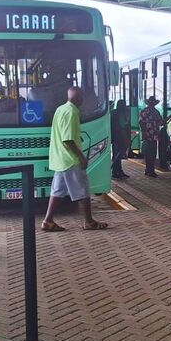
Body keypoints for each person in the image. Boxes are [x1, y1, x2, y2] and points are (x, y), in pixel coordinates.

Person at [42, 87, 108, 232]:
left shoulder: (61, 109)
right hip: (70, 160)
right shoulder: (71, 112)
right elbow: (68, 140)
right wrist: (81, 157)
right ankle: (89, 222)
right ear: (78, 99)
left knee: (57, 191)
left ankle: (48, 221)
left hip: (60, 159)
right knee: (83, 190)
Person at [138, 96, 163, 177]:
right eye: (151, 102)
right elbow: (142, 123)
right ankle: (150, 170)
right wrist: (144, 133)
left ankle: (149, 170)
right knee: (150, 154)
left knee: (151, 154)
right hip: (149, 135)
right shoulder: (148, 111)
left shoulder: (154, 112)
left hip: (153, 136)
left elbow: (160, 122)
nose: (152, 104)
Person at [110, 99, 130, 179]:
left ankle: (117, 172)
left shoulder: (113, 112)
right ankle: (114, 169)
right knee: (119, 154)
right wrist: (126, 138)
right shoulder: (121, 114)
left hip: (114, 136)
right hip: (121, 137)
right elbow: (122, 127)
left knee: (116, 154)